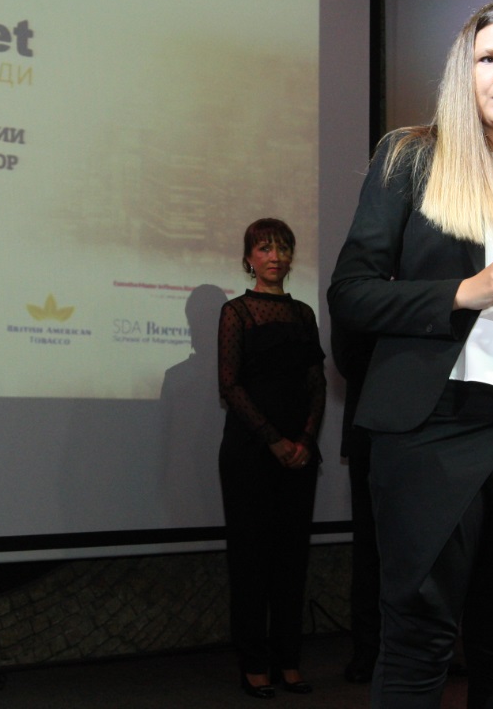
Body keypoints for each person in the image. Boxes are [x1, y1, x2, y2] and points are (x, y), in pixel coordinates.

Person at [329, 0, 493, 709]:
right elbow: (351, 295)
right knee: (417, 645)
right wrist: (465, 291)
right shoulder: (410, 157)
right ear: (463, 70)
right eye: (488, 58)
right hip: (434, 426)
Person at [218, 217, 327, 699]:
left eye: (282, 248)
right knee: (250, 561)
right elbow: (229, 385)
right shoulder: (236, 313)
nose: (275, 257)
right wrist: (273, 441)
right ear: (248, 259)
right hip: (250, 453)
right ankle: (254, 664)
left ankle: (288, 660)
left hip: (299, 454)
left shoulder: (303, 314)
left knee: (292, 560)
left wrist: (304, 439)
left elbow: (316, 384)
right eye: (264, 249)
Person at [330, 320, 381, 683]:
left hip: (431, 437)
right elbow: (348, 360)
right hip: (372, 437)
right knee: (370, 552)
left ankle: (425, 648)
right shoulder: (357, 294)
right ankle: (369, 653)